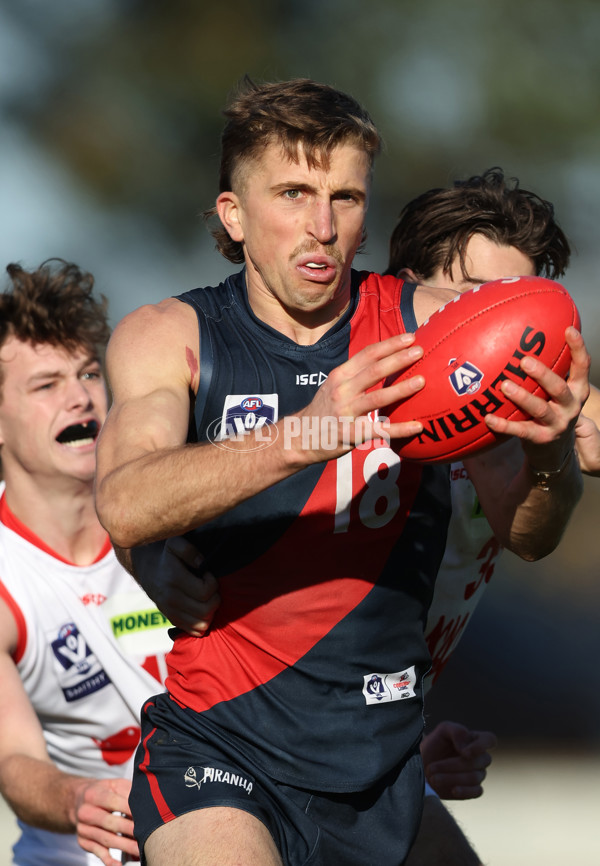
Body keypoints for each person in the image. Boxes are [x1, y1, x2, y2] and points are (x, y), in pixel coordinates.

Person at [95, 79, 589, 866]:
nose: (322, 228)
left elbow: (528, 533)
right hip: (221, 751)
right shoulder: (171, 336)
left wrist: (548, 452)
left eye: (347, 197)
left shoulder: (430, 331)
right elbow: (123, 502)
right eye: (293, 193)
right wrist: (308, 432)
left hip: (381, 770)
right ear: (234, 214)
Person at [386, 168, 600, 865]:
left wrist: (564, 444)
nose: (503, 334)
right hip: (219, 739)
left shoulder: (523, 420)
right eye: (473, 300)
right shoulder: (338, 388)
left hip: (368, 750)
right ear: (410, 288)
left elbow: (533, 534)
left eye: (518, 308)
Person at [0, 259, 218, 866]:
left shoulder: (177, 512)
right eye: (46, 385)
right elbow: (13, 763)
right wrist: (79, 802)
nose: (80, 397)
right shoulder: (6, 576)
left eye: (89, 373)